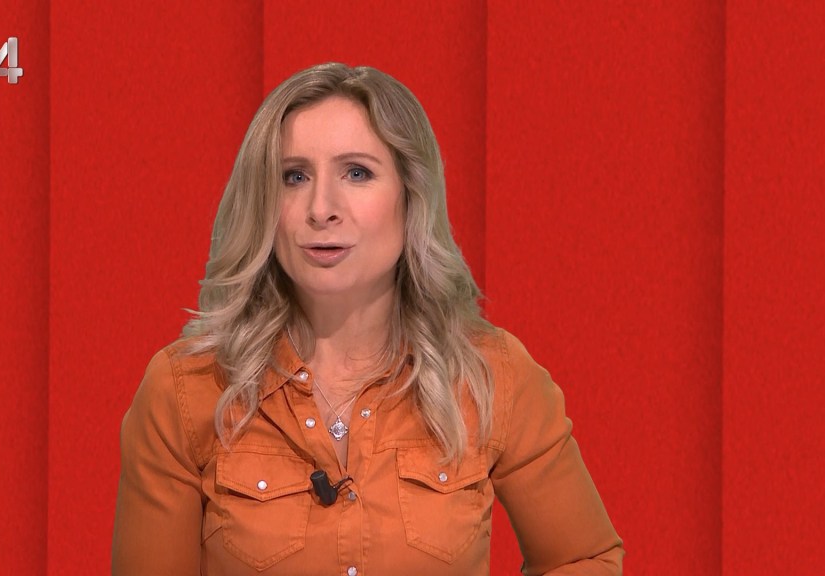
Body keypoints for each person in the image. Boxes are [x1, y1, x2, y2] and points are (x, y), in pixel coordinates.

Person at [112, 62, 623, 575]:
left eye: (356, 173)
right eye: (294, 177)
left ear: (410, 195)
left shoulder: (491, 375)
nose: (321, 208)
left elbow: (585, 558)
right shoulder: (188, 389)